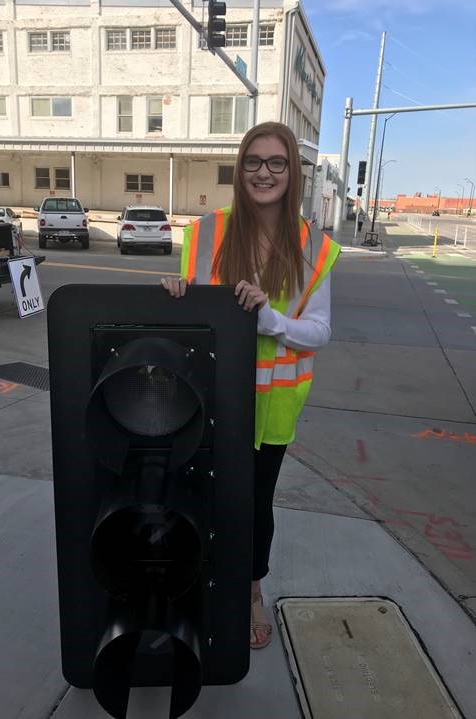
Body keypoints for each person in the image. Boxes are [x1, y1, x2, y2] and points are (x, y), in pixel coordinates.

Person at [161, 121, 340, 650]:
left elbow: (321, 334)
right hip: (207, 397)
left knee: (254, 504)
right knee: (194, 495)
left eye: (276, 162)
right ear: (240, 170)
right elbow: (190, 315)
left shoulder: (314, 247)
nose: (264, 172)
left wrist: (274, 321)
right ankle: (191, 583)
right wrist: (176, 294)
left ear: (293, 173)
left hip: (271, 407)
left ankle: (250, 591)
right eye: (253, 162)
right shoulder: (205, 233)